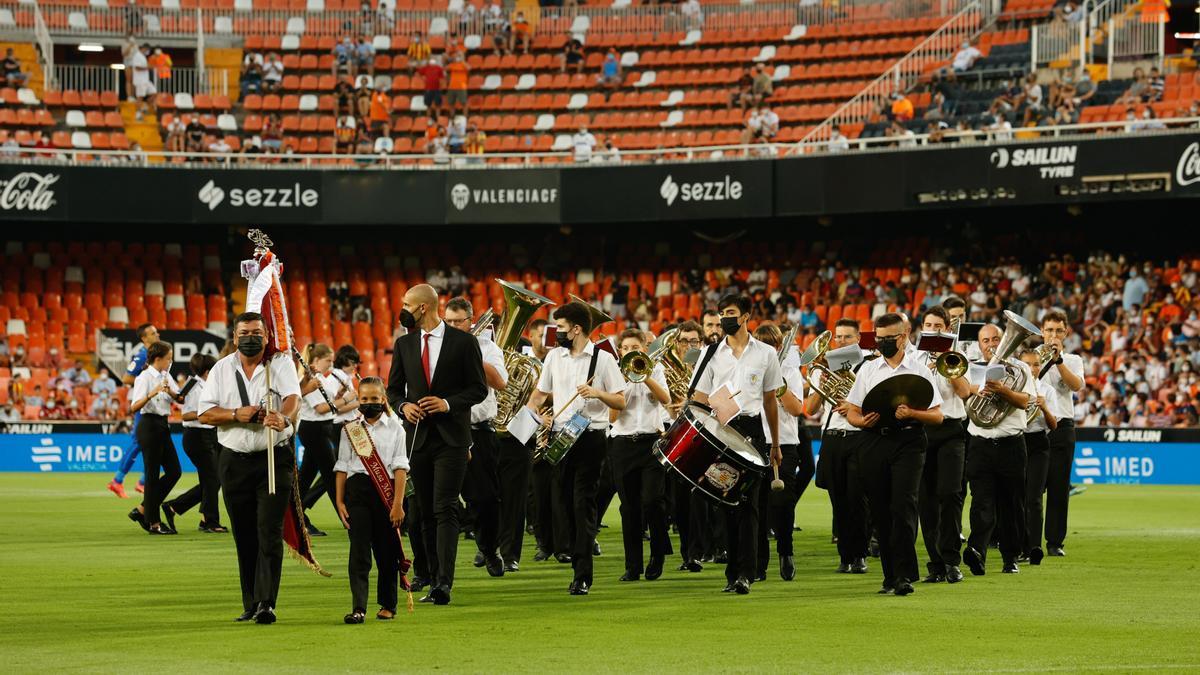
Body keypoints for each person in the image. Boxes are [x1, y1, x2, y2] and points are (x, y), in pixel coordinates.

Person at [385, 284, 488, 606]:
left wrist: (447, 403)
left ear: (424, 307)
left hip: (452, 439)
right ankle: (427, 574)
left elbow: (478, 389)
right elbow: (393, 391)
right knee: (421, 511)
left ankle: (444, 583)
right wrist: (404, 407)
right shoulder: (404, 344)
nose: (403, 308)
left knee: (444, 508)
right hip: (417, 438)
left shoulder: (464, 342)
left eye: (406, 304)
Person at [198, 312, 302, 624]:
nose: (250, 337)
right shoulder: (221, 368)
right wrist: (235, 413)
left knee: (269, 531)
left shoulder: (280, 364)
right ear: (234, 337)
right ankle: (250, 602)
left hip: (273, 457)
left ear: (267, 336)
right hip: (233, 461)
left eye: (257, 331)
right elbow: (205, 414)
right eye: (244, 332)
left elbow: (293, 399)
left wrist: (283, 417)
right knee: (244, 534)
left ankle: (266, 603)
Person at [524, 302, 626, 596]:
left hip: (591, 437)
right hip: (560, 435)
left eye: (562, 328)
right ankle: (570, 551)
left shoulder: (603, 360)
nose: (557, 333)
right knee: (563, 502)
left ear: (577, 329)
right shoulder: (555, 357)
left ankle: (583, 574)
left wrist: (597, 393)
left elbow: (620, 401)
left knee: (583, 503)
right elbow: (541, 393)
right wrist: (529, 418)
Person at [844, 313, 944, 596]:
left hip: (909, 441)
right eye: (879, 338)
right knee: (880, 510)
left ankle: (904, 575)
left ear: (903, 337)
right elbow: (852, 410)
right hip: (874, 440)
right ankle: (890, 576)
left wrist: (913, 413)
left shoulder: (920, 369)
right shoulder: (868, 369)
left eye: (889, 338)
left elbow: (938, 416)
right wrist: (860, 422)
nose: (883, 342)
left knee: (903, 505)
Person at [690, 294, 784, 594]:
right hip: (720, 428)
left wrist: (775, 443)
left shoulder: (767, 353)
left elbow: (770, 400)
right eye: (721, 313)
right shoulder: (710, 353)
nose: (724, 318)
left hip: (752, 429)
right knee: (724, 502)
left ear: (746, 316)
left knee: (749, 503)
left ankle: (746, 572)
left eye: (730, 312)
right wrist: (713, 409)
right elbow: (699, 397)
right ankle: (733, 572)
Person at [961, 321, 1037, 577]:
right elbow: (962, 395)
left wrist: (1002, 390)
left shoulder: (1021, 368)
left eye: (996, 339)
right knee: (980, 502)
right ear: (979, 345)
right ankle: (977, 552)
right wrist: (979, 388)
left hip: (1011, 445)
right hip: (980, 444)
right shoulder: (970, 369)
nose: (992, 345)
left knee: (1012, 505)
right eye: (986, 341)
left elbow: (1025, 402)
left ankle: (1010, 556)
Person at [443, 297, 509, 577]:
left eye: (460, 321)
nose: (455, 326)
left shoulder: (487, 347)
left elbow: (500, 382)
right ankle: (433, 568)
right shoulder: (435, 347)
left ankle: (489, 549)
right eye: (450, 321)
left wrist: (471, 353)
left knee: (485, 497)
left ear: (471, 321)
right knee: (439, 499)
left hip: (478, 429)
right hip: (445, 429)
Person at [334, 377, 409, 624]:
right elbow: (342, 466)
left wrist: (398, 503)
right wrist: (339, 500)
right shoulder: (351, 430)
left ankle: (388, 604)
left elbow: (400, 468)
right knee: (359, 551)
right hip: (357, 492)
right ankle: (359, 607)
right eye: (364, 399)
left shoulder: (397, 428)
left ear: (383, 399)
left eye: (374, 399)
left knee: (387, 552)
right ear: (358, 399)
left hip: (386, 493)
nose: (369, 403)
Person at [807, 318, 870, 574]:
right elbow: (809, 410)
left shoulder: (868, 367)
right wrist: (820, 387)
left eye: (847, 337)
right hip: (831, 438)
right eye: (838, 337)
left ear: (858, 340)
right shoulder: (824, 369)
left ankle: (860, 555)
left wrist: (853, 406)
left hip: (858, 437)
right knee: (839, 501)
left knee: (858, 500)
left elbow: (876, 403)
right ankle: (845, 555)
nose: (841, 341)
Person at [609, 328, 672, 583]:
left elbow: (666, 399)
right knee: (629, 507)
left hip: (651, 443)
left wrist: (643, 375)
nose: (630, 351)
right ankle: (632, 565)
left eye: (635, 346)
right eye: (625, 348)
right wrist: (623, 383)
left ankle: (657, 555)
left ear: (644, 349)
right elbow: (612, 417)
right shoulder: (614, 375)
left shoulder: (655, 370)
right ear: (620, 351)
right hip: (623, 445)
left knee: (653, 500)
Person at [916, 306, 972, 584]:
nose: (933, 330)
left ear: (947, 329)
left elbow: (964, 392)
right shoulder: (913, 358)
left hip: (951, 430)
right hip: (923, 430)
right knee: (926, 500)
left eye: (938, 326)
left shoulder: (957, 356)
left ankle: (951, 559)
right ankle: (935, 564)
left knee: (950, 494)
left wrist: (946, 366)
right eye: (928, 325)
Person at [753, 323, 811, 581]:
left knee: (783, 503)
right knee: (756, 505)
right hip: (754, 441)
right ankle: (758, 562)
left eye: (771, 344)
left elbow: (797, 409)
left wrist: (780, 383)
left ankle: (785, 553)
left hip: (785, 442)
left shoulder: (789, 367)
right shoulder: (750, 367)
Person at [163, 353, 228, 534]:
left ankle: (198, 516)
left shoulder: (204, 385)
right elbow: (185, 414)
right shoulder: (194, 387)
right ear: (208, 371)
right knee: (213, 480)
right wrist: (207, 414)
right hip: (197, 436)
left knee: (210, 480)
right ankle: (209, 521)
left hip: (207, 436)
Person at [1039, 309, 1084, 557]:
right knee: (1030, 489)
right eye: (1049, 330)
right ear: (1041, 332)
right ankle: (1028, 540)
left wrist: (1058, 361)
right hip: (1035, 427)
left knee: (1058, 488)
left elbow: (1075, 386)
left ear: (1065, 333)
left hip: (1062, 426)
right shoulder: (1030, 358)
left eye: (1058, 330)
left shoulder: (1073, 360)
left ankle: (1055, 542)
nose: (1053, 335)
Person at [127, 341, 183, 535]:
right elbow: (133, 407)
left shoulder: (166, 376)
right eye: (168, 358)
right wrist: (152, 393)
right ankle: (154, 522)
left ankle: (144, 509)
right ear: (158, 359)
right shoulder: (144, 377)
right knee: (151, 475)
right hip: (149, 424)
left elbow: (180, 398)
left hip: (162, 425)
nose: (170, 361)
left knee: (175, 471)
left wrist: (172, 391)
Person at [295, 344, 345, 535]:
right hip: (314, 428)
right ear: (315, 361)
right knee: (331, 475)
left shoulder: (321, 379)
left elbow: (329, 405)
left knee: (306, 476)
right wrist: (346, 400)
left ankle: (295, 515)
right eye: (328, 361)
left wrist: (338, 396)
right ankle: (348, 519)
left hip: (322, 428)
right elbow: (321, 408)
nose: (331, 365)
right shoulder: (311, 380)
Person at [109, 323, 159, 498]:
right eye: (153, 333)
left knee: (156, 445)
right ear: (144, 338)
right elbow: (126, 378)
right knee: (138, 442)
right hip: (143, 406)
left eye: (156, 332)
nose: (157, 334)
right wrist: (145, 384)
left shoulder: (155, 356)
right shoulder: (142, 356)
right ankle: (117, 481)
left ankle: (143, 482)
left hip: (155, 406)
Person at [1020, 347, 1058, 564]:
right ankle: (1018, 546)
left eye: (1036, 364)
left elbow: (1053, 425)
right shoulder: (1012, 387)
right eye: (1027, 364)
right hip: (1016, 441)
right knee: (1016, 497)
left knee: (1034, 498)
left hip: (1037, 443)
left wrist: (1044, 408)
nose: (1033, 369)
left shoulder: (1047, 390)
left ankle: (1034, 547)